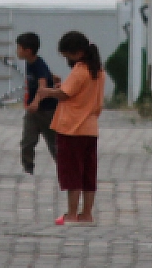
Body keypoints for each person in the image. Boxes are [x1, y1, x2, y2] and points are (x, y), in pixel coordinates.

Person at [36, 31, 105, 224]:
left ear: (76, 53)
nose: (66, 59)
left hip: (71, 128)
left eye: (66, 55)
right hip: (90, 128)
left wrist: (46, 92)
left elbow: (65, 94)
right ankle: (87, 214)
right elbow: (78, 91)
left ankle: (72, 214)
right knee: (88, 173)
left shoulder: (80, 70)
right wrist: (61, 85)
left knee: (72, 173)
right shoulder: (98, 71)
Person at [15, 32, 59, 176]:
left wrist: (35, 102)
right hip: (33, 112)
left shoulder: (38, 64)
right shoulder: (31, 62)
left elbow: (43, 86)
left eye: (19, 48)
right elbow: (47, 76)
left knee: (54, 143)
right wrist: (55, 78)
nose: (17, 51)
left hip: (47, 110)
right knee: (27, 141)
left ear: (27, 50)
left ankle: (64, 168)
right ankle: (28, 168)